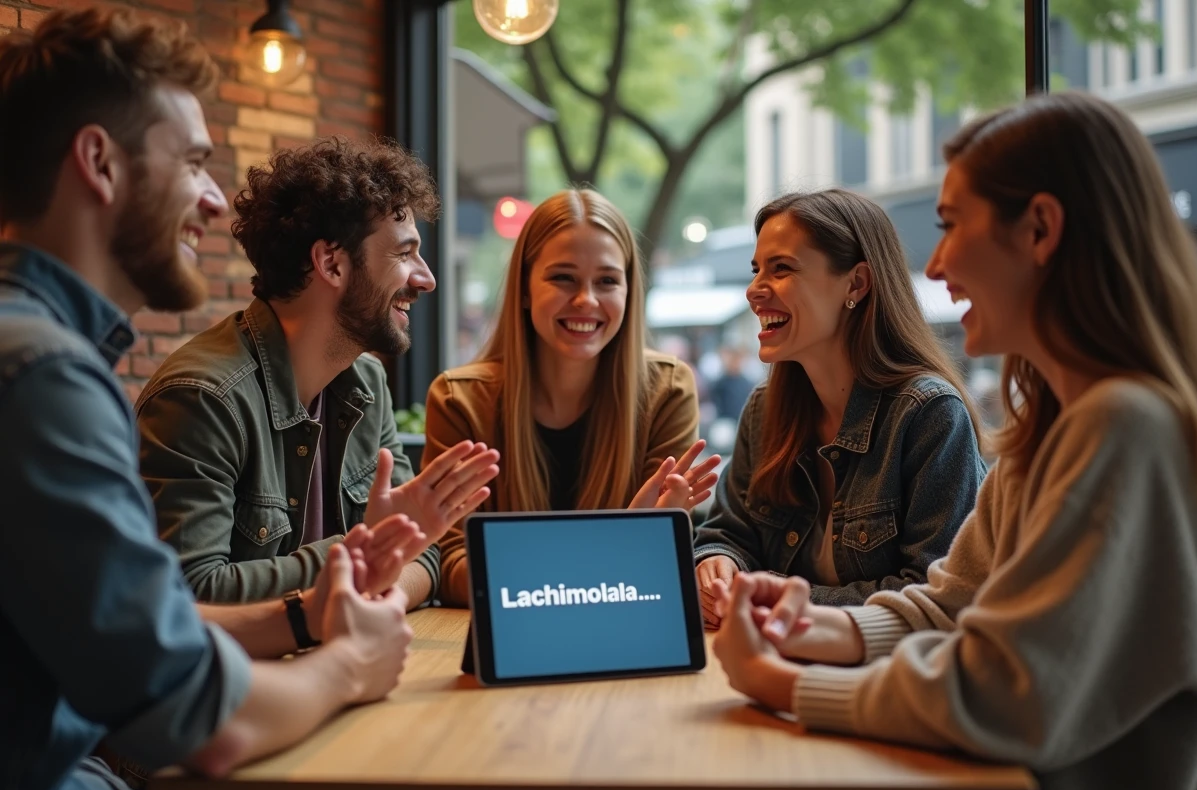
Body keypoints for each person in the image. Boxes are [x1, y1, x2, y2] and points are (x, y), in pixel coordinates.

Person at [711, 91, 1197, 790]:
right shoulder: (1055, 428)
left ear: (1039, 229)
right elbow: (949, 606)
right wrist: (806, 625)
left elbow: (1004, 691)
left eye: (950, 224)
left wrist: (782, 682)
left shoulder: (1121, 424)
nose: (934, 266)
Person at [0, 9, 423, 790]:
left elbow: (143, 631)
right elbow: (193, 718)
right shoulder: (44, 376)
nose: (214, 200)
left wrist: (305, 616)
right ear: (99, 162)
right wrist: (347, 667)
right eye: (193, 161)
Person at [135, 136, 500, 610]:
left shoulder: (367, 384)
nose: (426, 277)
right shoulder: (201, 399)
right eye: (404, 254)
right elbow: (190, 597)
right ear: (331, 263)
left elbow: (424, 551)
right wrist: (362, 557)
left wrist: (379, 584)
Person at [693, 189, 986, 626]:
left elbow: (932, 595)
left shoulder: (928, 414)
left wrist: (778, 596)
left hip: (880, 681)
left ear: (857, 284)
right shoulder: (764, 408)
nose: (754, 290)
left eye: (782, 268)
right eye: (756, 270)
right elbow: (728, 534)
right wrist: (717, 564)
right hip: (765, 662)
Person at [423, 188, 720, 606]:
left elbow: (656, 565)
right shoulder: (460, 399)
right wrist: (621, 545)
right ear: (525, 289)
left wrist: (528, 570)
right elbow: (450, 564)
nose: (586, 300)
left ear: (629, 291)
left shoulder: (667, 391)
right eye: (563, 278)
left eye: (607, 281)